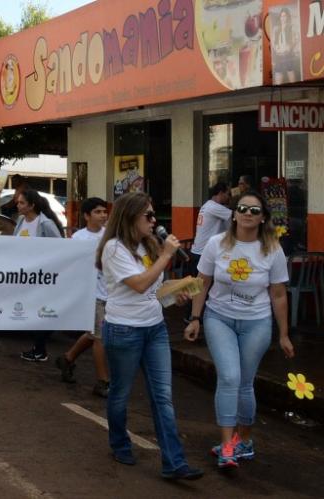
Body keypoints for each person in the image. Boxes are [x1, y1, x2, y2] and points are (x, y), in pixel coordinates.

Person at [185, 191, 294, 469]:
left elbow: (278, 294)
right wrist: (195, 317)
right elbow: (202, 281)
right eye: (242, 208)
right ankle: (227, 445)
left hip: (257, 322)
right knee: (229, 377)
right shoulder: (216, 243)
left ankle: (243, 440)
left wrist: (283, 334)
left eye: (254, 210)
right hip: (219, 318)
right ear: (233, 214)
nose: (247, 213)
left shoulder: (272, 249)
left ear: (263, 218)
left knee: (245, 383)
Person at [99, 191, 202, 480]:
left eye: (154, 215)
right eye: (149, 215)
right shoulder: (114, 248)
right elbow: (139, 284)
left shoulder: (148, 245)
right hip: (124, 329)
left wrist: (175, 294)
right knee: (120, 393)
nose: (155, 221)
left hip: (155, 328)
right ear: (130, 216)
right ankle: (119, 443)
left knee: (163, 397)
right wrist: (167, 254)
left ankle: (174, 463)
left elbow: (155, 289)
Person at [55, 197, 110, 397]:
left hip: (111, 292)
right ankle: (103, 381)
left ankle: (68, 358)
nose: (103, 215)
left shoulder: (110, 235)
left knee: (94, 333)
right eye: (97, 212)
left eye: (104, 211)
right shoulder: (79, 238)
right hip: (92, 293)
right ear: (87, 216)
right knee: (100, 337)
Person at [14, 189, 64, 362]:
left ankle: (39, 349)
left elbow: (60, 248)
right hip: (23, 275)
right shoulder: (20, 220)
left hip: (42, 276)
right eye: (18, 202)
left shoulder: (45, 224)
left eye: (22, 202)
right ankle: (39, 348)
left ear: (32, 205)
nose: (18, 205)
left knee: (40, 311)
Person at [188, 182, 232, 277]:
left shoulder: (207, 205)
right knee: (204, 284)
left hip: (197, 252)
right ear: (221, 193)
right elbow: (238, 216)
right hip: (203, 254)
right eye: (228, 194)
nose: (229, 197)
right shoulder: (215, 207)